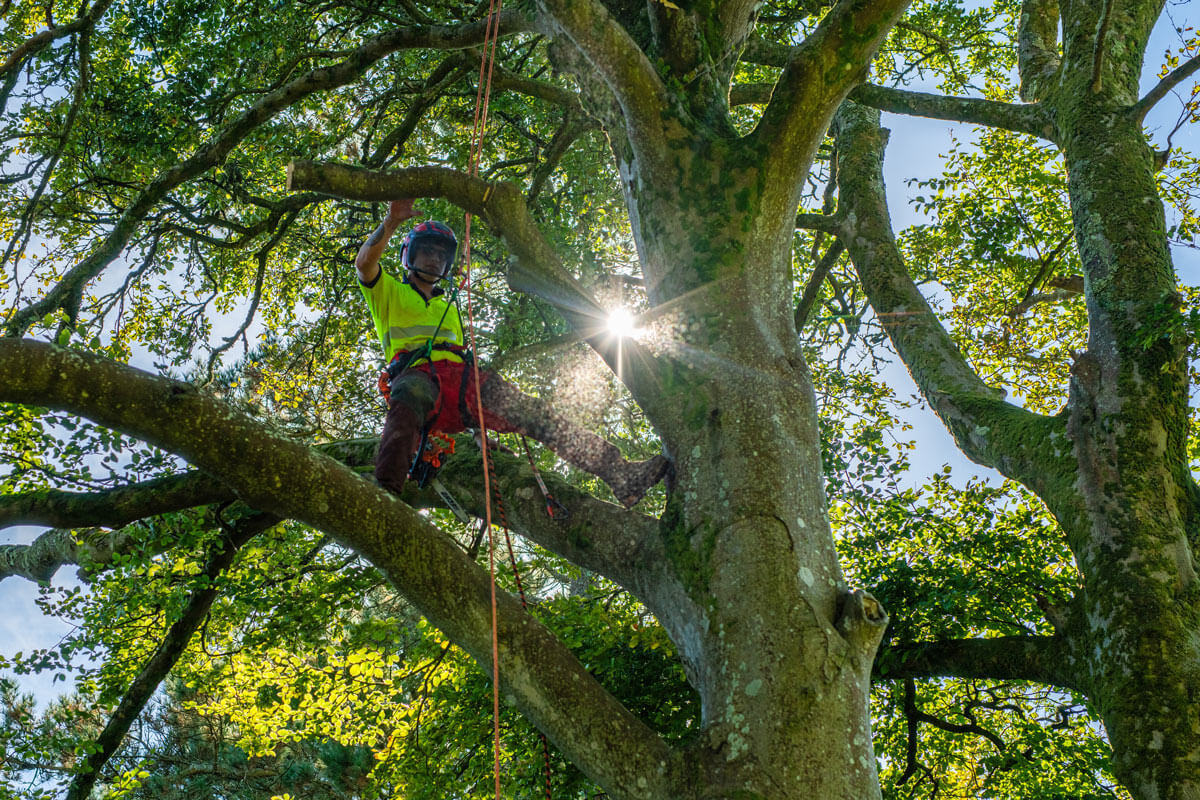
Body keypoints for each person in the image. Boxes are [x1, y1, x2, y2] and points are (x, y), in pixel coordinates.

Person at [356, 199, 670, 508]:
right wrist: (392, 220)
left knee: (534, 413)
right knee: (410, 395)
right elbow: (364, 264)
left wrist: (479, 435)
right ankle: (384, 493)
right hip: (419, 377)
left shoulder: (447, 307)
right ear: (409, 254)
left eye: (441, 255)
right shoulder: (388, 293)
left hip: (464, 381)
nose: (435, 260)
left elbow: (461, 372)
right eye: (427, 251)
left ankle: (620, 474)